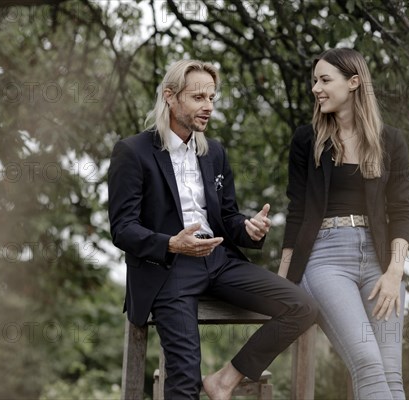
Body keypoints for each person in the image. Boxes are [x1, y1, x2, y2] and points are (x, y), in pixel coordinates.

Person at [108, 59, 317, 400]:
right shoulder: (133, 152)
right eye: (199, 97)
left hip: (219, 261)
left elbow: (227, 218)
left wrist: (248, 228)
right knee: (184, 380)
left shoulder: (214, 152)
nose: (208, 106)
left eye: (212, 97)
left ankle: (225, 379)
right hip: (169, 269)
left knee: (303, 307)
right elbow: (122, 228)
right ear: (170, 97)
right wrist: (172, 244)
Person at [278, 48, 409, 399]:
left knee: (392, 376)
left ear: (353, 82)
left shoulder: (390, 141)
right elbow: (296, 211)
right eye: (314, 81)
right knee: (367, 364)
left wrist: (395, 271)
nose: (316, 89)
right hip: (325, 258)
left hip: (381, 262)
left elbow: (401, 210)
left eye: (325, 80)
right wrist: (284, 278)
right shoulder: (307, 141)